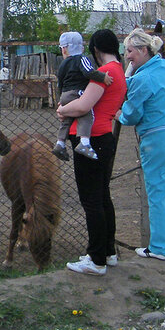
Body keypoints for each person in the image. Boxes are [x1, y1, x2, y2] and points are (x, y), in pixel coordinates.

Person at [55, 29, 127, 276]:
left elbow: (85, 104)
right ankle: (108, 252)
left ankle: (96, 260)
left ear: (96, 49)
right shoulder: (120, 71)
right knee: (103, 197)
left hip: (91, 138)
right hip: (104, 137)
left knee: (91, 201)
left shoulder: (105, 73)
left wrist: (64, 110)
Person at [118, 26, 165, 261]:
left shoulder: (142, 78)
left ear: (142, 50)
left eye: (129, 51)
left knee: (157, 191)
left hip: (158, 138)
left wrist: (118, 113)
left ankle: (159, 247)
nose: (127, 56)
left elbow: (131, 116)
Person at [53, 31, 111, 161]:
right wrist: (103, 77)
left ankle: (60, 143)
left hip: (65, 94)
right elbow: (89, 72)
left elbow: (60, 83)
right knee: (86, 114)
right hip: (77, 92)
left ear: (64, 49)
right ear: (80, 47)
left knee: (66, 119)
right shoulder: (82, 59)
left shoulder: (63, 64)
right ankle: (84, 143)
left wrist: (61, 100)